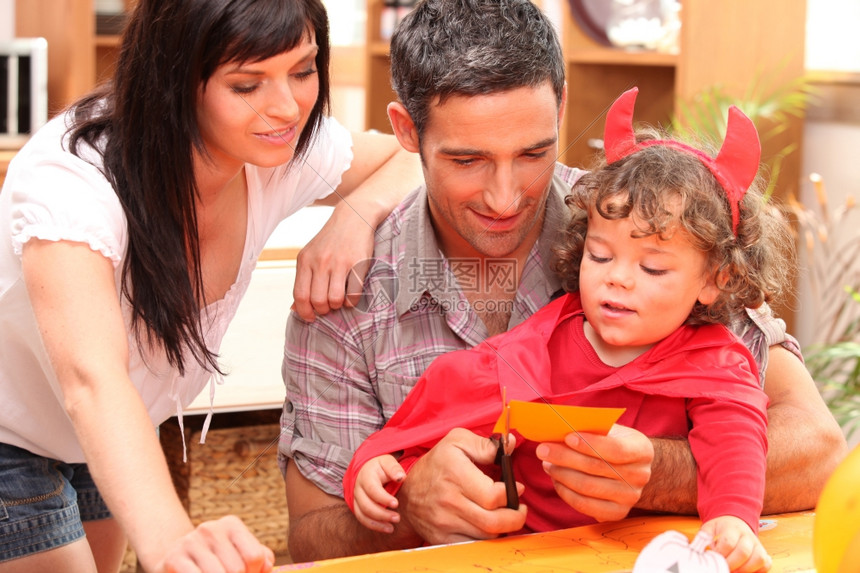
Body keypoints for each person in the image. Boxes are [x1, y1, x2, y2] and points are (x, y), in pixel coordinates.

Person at [279, 0, 846, 562]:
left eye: (533, 152)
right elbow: (307, 537)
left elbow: (819, 451)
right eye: (467, 160)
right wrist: (408, 513)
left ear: (562, 109)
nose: (505, 198)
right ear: (407, 131)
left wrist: (655, 472)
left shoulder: (647, 224)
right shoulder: (346, 292)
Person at [0, 0, 421, 571]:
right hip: (14, 431)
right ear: (175, 78)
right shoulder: (72, 178)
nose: (287, 107)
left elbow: (414, 152)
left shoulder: (282, 151)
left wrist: (352, 217)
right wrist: (176, 537)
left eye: (303, 70)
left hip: (109, 435)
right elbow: (92, 381)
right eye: (247, 85)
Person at [346, 87, 785, 572]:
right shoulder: (545, 341)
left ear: (714, 279)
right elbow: (447, 395)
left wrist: (733, 518)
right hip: (527, 556)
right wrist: (379, 464)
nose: (616, 277)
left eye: (654, 269)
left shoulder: (716, 360)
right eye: (600, 256)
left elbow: (736, 437)